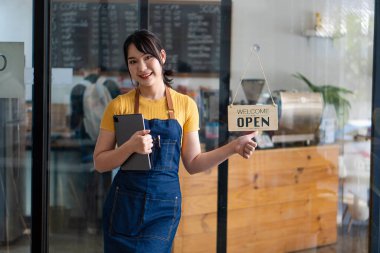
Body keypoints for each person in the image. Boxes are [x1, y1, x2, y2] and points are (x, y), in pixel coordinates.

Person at [93, 29, 257, 253]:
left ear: (162, 56)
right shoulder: (118, 105)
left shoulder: (185, 105)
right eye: (133, 61)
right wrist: (130, 147)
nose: (141, 67)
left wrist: (233, 147)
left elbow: (193, 163)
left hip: (163, 209)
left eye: (147, 57)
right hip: (125, 206)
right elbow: (100, 162)